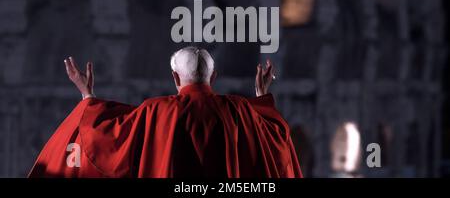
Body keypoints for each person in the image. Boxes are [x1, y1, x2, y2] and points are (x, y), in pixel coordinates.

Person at [29, 46, 302, 178]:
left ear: (174, 77)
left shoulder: (156, 111)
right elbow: (277, 139)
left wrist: (87, 96)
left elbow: (106, 139)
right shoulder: (239, 109)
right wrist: (262, 97)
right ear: (214, 76)